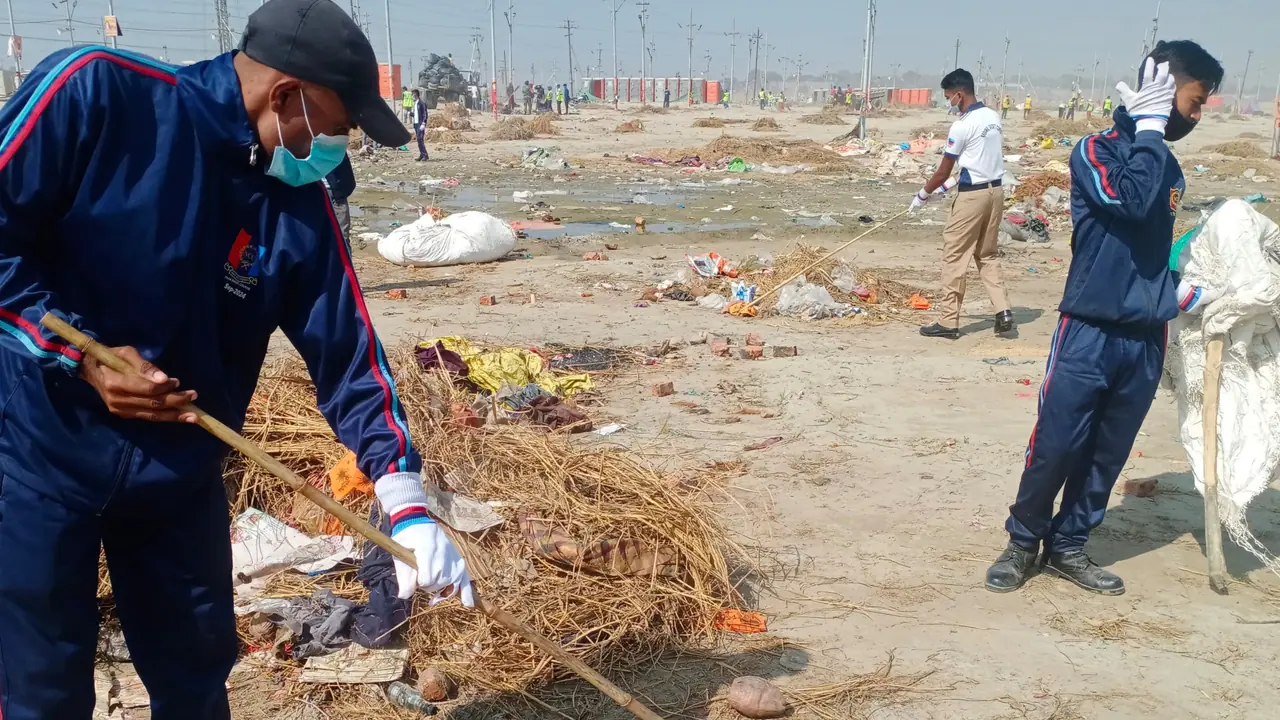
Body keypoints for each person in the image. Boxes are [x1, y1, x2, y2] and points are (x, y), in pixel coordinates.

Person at [0, 0, 474, 716]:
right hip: (38, 453)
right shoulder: (97, 93)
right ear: (285, 95)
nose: (336, 148)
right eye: (335, 128)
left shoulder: (296, 209)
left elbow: (348, 354)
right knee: (38, 688)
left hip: (178, 476)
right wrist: (76, 355)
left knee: (195, 681)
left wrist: (404, 499)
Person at [984, 41, 1223, 597]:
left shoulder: (1164, 162)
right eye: (1195, 99)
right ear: (1163, 91)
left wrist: (1175, 292)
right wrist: (1147, 130)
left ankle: (1069, 546)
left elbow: (1146, 244)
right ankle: (1023, 543)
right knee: (1057, 444)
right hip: (1088, 331)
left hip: (1143, 337)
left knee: (1106, 453)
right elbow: (1133, 203)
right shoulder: (1095, 152)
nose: (1198, 112)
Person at [910, 68, 1013, 340]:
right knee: (987, 254)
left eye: (948, 97)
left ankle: (948, 321)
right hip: (995, 192)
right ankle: (1003, 311)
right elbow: (974, 165)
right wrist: (941, 191)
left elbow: (945, 170)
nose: (948, 102)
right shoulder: (992, 117)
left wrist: (923, 194)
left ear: (959, 93)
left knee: (955, 255)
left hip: (973, 198)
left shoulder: (962, 125)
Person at [412, 87, 429, 161]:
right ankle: (422, 154)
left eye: (413, 95)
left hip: (420, 124)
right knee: (419, 140)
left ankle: (425, 155)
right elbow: (416, 114)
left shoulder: (421, 103)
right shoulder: (415, 103)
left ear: (416, 95)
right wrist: (411, 114)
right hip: (416, 124)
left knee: (420, 139)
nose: (412, 96)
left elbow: (425, 114)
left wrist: (423, 123)